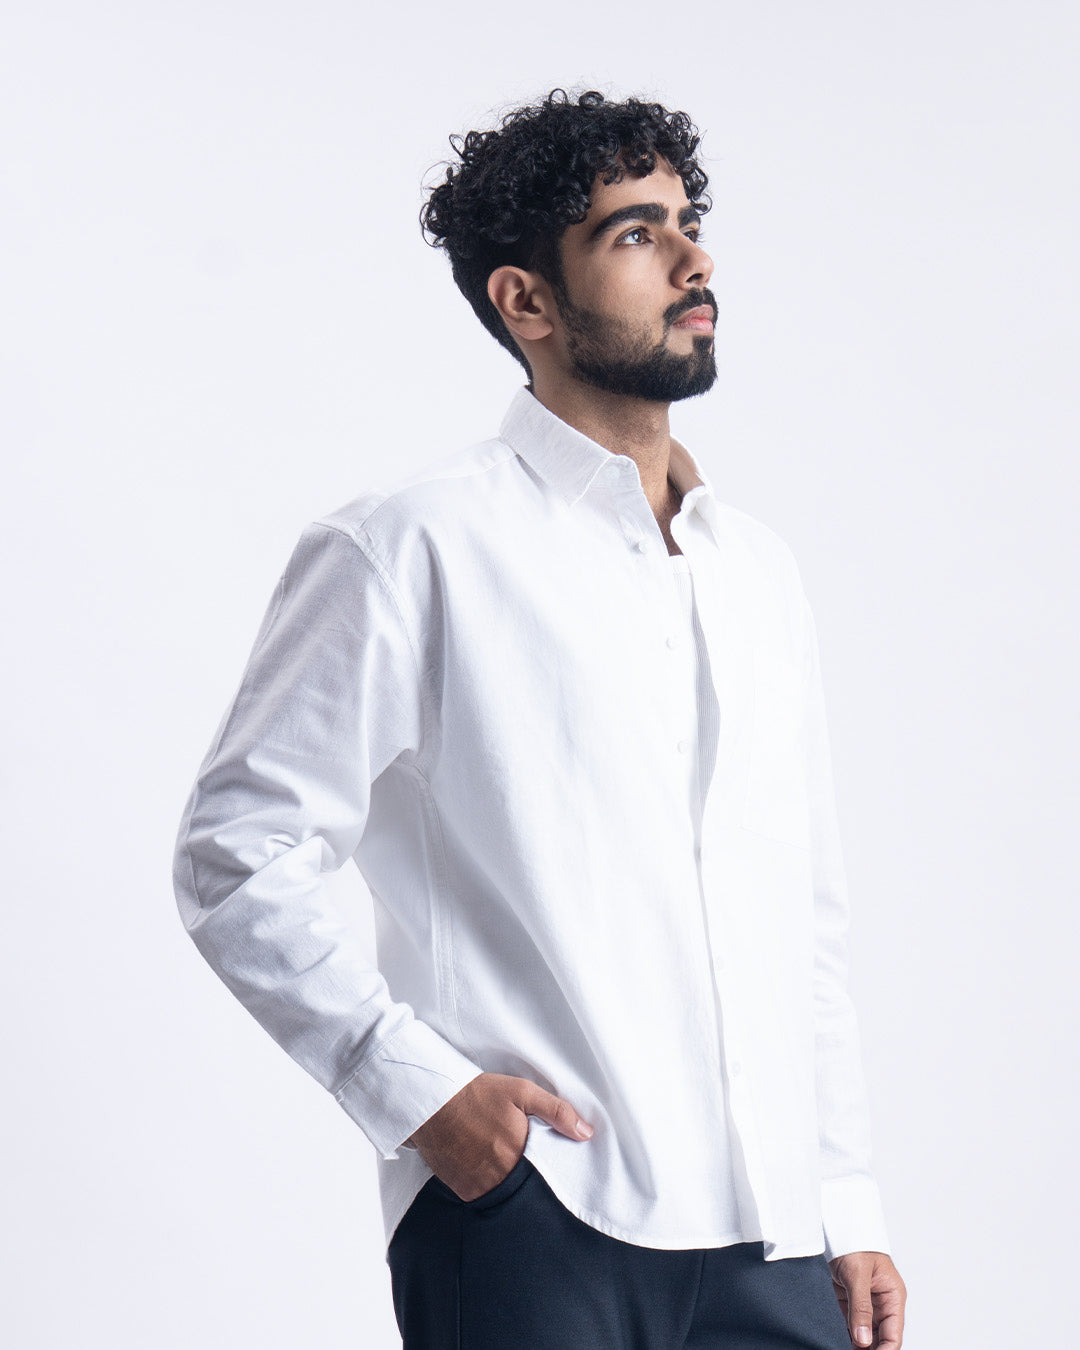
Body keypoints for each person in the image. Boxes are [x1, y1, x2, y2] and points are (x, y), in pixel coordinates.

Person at [173, 87, 907, 1349]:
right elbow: (235, 851)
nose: (693, 261)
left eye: (687, 223)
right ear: (527, 302)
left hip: (774, 1235)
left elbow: (805, 919)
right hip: (538, 1218)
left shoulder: (757, 571)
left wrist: (846, 1199)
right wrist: (420, 1095)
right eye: (635, 234)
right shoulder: (410, 546)